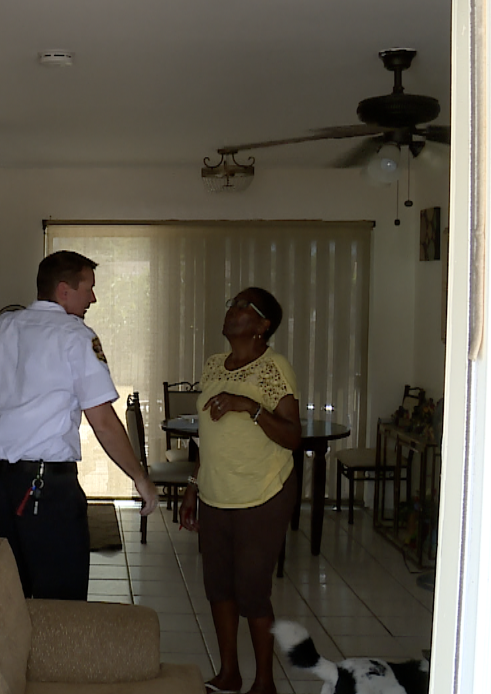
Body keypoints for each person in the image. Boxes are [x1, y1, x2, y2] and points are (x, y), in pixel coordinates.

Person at [0, 250, 159, 600]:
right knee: (60, 603)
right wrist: (140, 478)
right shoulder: (76, 337)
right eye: (88, 288)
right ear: (63, 291)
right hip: (46, 491)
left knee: (6, 597)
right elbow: (102, 421)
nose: (93, 298)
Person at [179, 287, 302, 694]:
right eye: (231, 304)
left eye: (242, 306)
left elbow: (293, 436)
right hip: (216, 493)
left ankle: (264, 683)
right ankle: (229, 673)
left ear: (263, 325)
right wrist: (193, 485)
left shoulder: (274, 367)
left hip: (262, 495)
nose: (232, 310)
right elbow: (209, 437)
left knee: (252, 591)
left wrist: (249, 406)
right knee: (218, 588)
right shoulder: (214, 365)